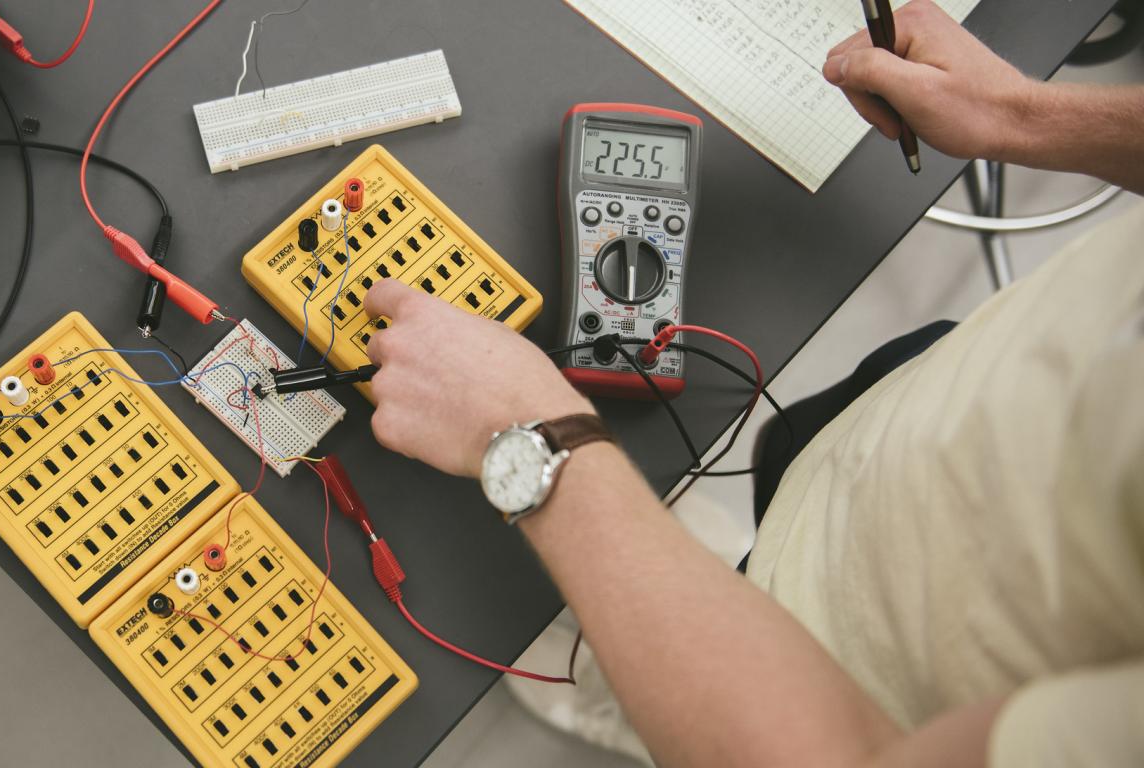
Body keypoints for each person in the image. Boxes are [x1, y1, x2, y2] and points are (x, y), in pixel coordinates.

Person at [360, 2, 1144, 766]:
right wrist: (1025, 116)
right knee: (797, 458)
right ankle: (695, 582)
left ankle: (647, 688)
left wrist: (531, 430)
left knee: (712, 672)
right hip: (945, 410)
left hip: (868, 684)